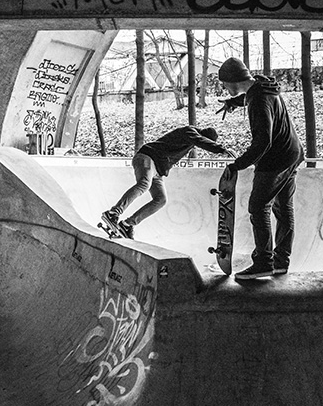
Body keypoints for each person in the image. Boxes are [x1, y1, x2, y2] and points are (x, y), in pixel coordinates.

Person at [217, 57, 304, 280]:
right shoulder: (263, 88)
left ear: (233, 81)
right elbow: (249, 96)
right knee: (283, 208)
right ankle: (281, 262)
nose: (225, 88)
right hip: (292, 153)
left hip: (276, 159)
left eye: (225, 84)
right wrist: (233, 102)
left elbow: (263, 141)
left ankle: (264, 262)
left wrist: (237, 165)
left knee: (258, 207)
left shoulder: (258, 100)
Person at [102, 126, 235, 239]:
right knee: (144, 184)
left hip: (157, 171)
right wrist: (221, 149)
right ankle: (113, 213)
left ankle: (127, 224)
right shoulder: (189, 131)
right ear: (203, 135)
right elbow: (200, 140)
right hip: (147, 157)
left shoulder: (190, 141)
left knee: (161, 199)